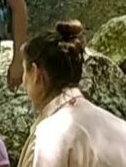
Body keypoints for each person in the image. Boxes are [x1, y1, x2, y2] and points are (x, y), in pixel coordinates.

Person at [18, 20, 126, 166]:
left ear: (37, 74)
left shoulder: (52, 135)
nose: (23, 81)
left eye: (25, 70)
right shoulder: (118, 126)